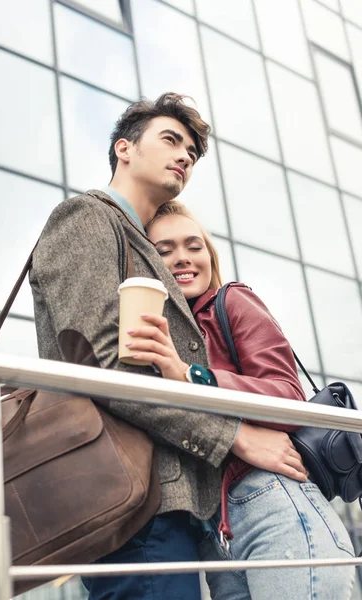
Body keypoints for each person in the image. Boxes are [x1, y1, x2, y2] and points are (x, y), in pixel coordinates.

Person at [30, 92, 307, 600]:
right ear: (124, 149)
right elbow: (105, 367)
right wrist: (236, 437)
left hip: (167, 503)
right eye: (171, 140)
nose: (185, 155)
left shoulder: (140, 245)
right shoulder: (86, 218)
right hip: (133, 503)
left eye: (192, 153)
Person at [143, 200, 355, 600]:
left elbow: (288, 395)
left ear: (210, 256)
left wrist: (194, 376)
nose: (182, 259)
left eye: (193, 246)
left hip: (272, 501)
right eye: (164, 250)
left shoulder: (231, 301)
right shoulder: (159, 329)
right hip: (215, 531)